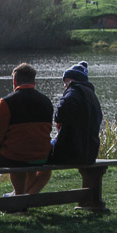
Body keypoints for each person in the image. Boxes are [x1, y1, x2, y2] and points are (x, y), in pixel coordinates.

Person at [0, 62, 53, 196]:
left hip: (15, 156)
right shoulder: (46, 101)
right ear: (34, 82)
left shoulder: (6, 102)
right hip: (41, 156)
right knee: (26, 159)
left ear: (14, 81)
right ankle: (23, 199)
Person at [23, 61, 104, 195]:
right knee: (43, 162)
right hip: (89, 152)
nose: (64, 85)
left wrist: (58, 119)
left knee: (34, 155)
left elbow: (61, 112)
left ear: (70, 79)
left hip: (71, 152)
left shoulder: (73, 91)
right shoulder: (91, 95)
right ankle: (26, 197)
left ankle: (20, 196)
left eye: (65, 81)